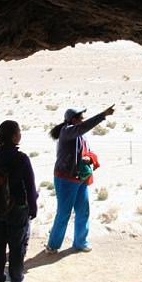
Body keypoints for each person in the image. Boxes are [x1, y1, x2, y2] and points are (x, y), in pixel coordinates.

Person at [45, 104, 114, 253]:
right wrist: (103, 115)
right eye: (81, 118)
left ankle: (80, 242)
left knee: (83, 211)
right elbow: (81, 128)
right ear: (73, 120)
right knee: (64, 213)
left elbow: (89, 151)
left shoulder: (81, 136)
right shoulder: (66, 131)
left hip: (80, 178)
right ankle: (53, 245)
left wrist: (89, 159)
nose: (83, 120)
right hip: (65, 179)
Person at [0, 120, 38, 282]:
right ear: (14, 137)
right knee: (16, 246)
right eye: (19, 132)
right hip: (17, 208)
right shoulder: (21, 158)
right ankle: (16, 279)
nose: (20, 134)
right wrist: (33, 207)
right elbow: (30, 186)